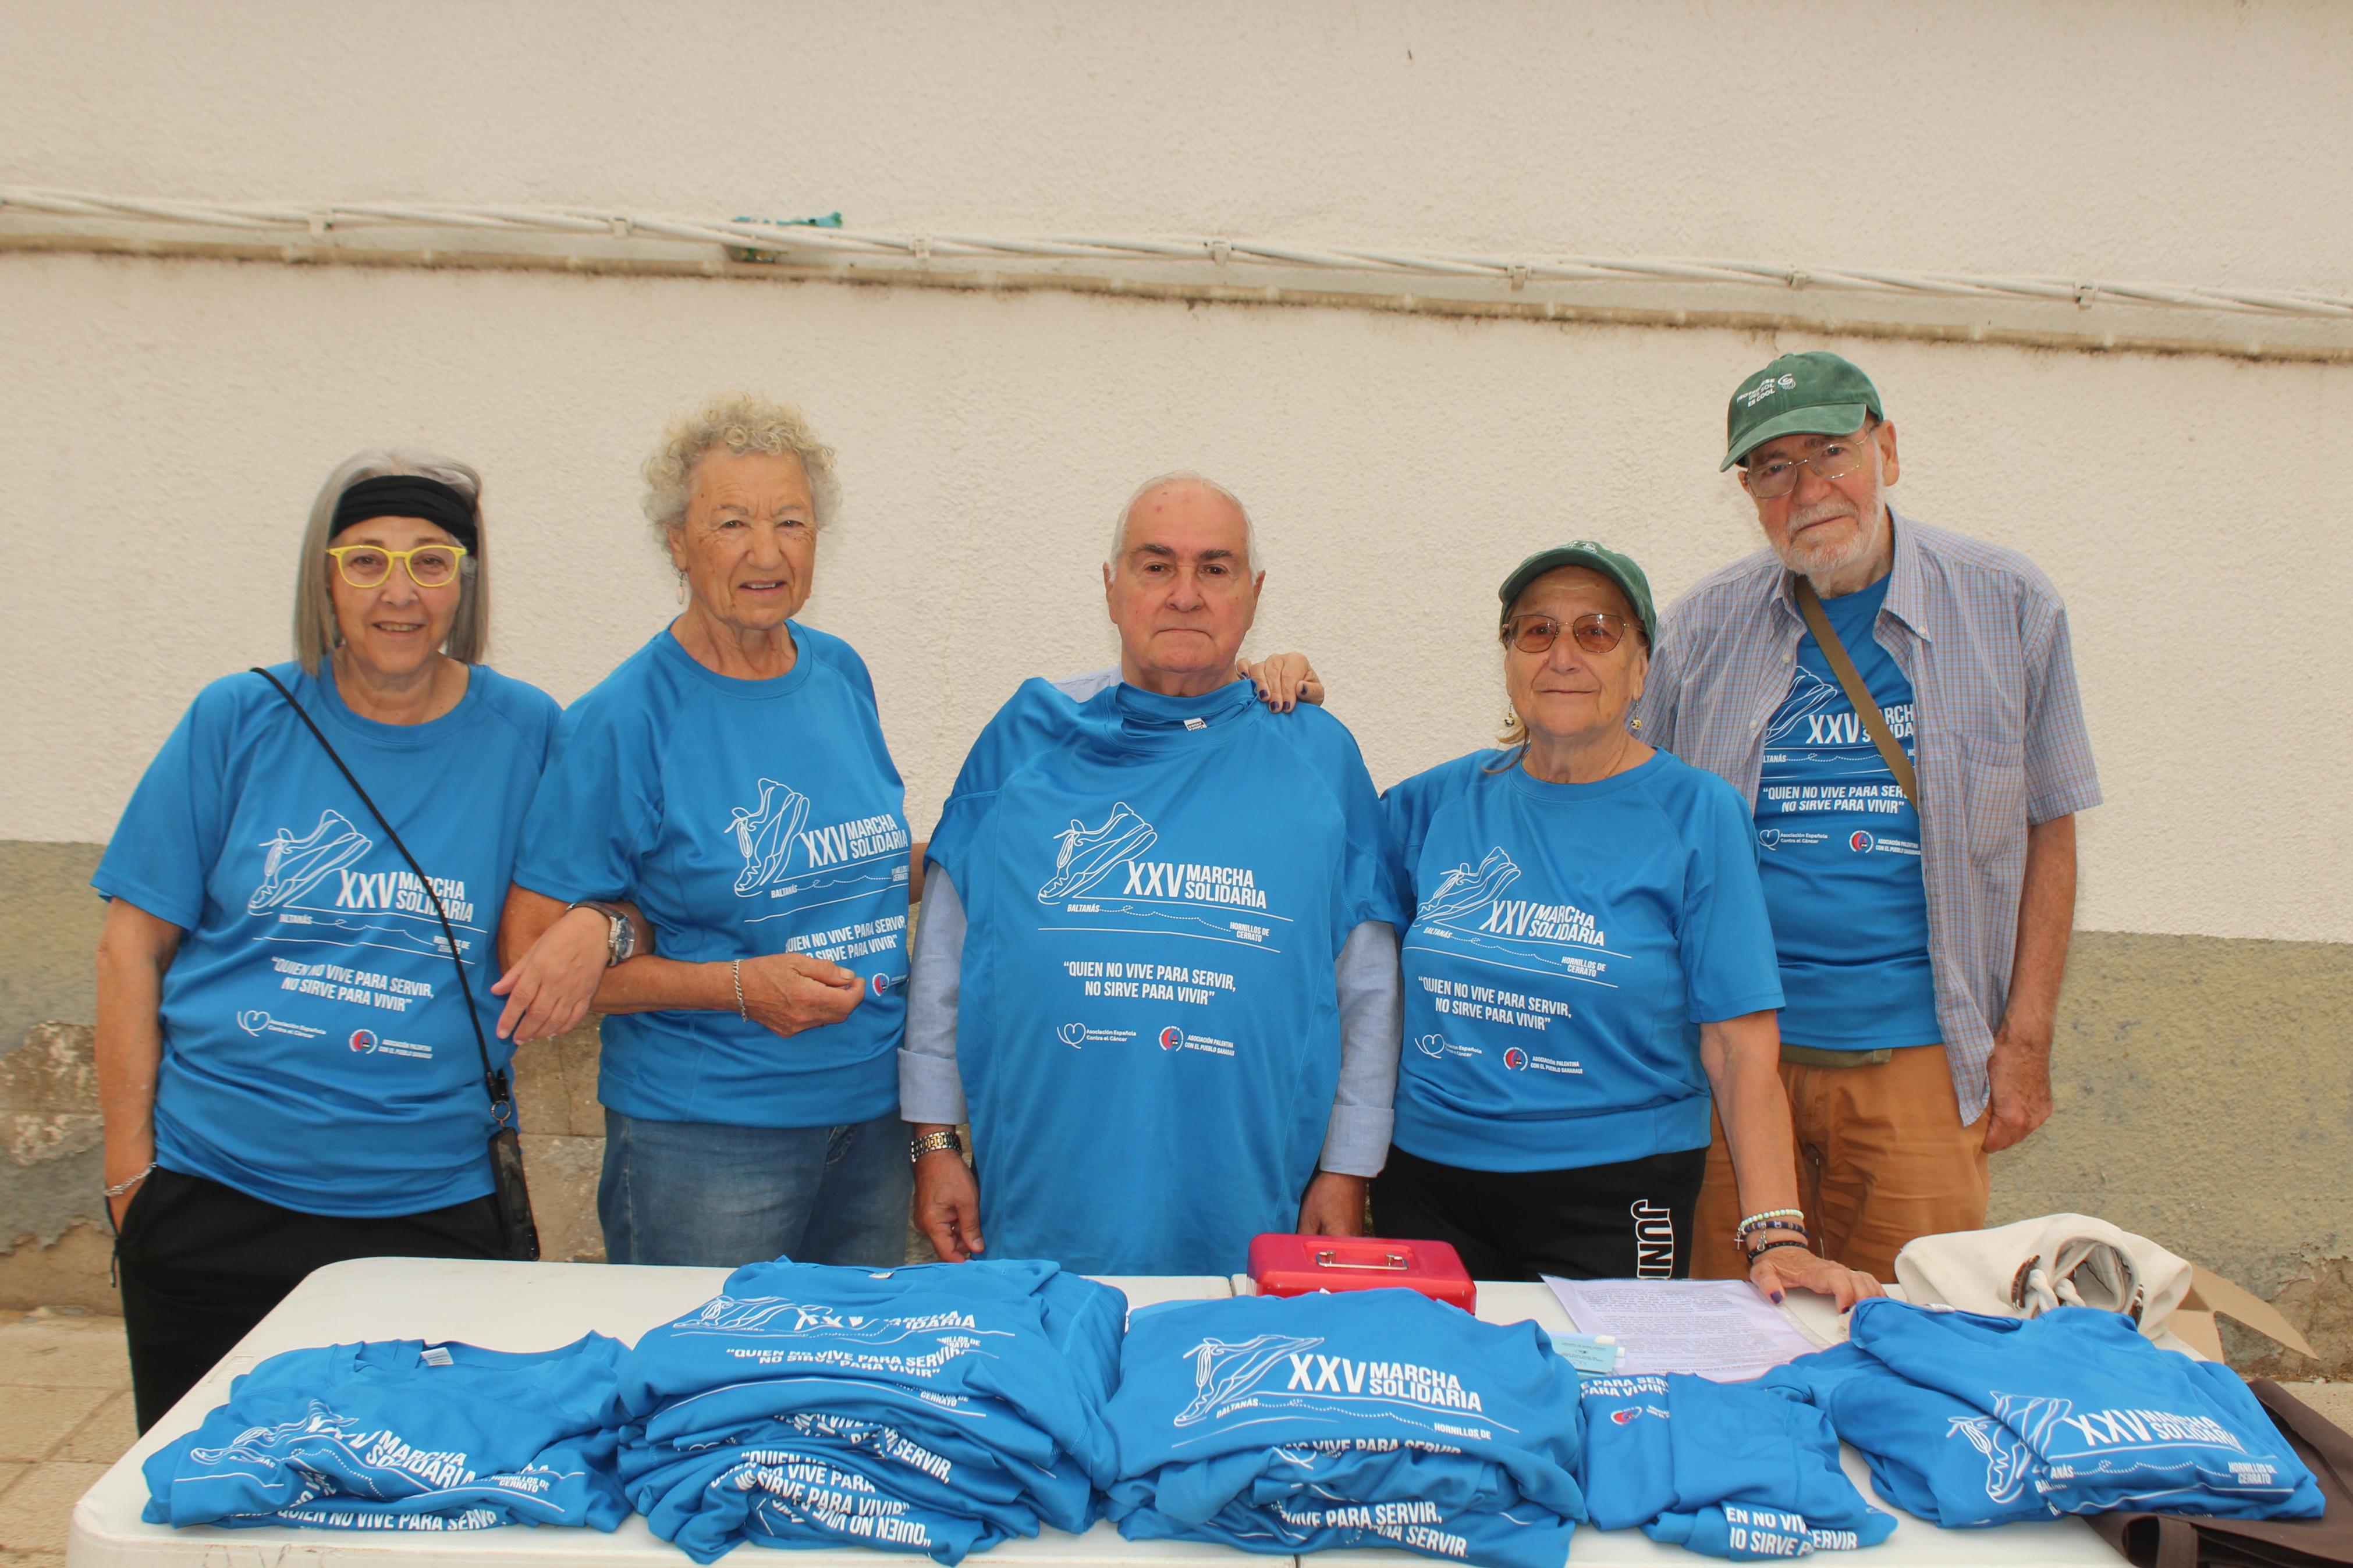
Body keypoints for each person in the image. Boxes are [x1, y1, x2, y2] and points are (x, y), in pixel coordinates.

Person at [93, 453, 612, 1430]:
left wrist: (598, 924)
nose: (399, 593)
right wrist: (131, 1181)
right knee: (211, 1501)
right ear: (323, 580)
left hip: (426, 1208)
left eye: (431, 562)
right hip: (215, 1196)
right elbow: (129, 949)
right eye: (366, 561)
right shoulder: (235, 721)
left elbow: (630, 894)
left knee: (420, 1499)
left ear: (467, 582)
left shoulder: (530, 733)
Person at [1642, 352, 2100, 1282]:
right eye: (1775, 468)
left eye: (1831, 452)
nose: (1809, 490)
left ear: (1886, 449)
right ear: (1749, 491)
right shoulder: (1699, 631)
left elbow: (2051, 827)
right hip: (1733, 1073)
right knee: (1741, 1348)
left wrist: (2025, 1042)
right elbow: (1639, 823)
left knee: (1908, 1338)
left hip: (1921, 1069)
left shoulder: (2008, 606)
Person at [903, 474, 1404, 1275]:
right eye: (1155, 565)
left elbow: (1368, 989)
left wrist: (1347, 1169)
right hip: (1036, 1203)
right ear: (1110, 588)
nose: (1185, 595)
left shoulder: (1318, 757)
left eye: (1215, 568)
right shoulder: (1026, 739)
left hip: (1248, 1203)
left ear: (1253, 593)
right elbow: (944, 958)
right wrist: (933, 1141)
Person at [1372, 543, 1879, 1306]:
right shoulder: (1434, 801)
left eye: (1597, 631)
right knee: (1435, 1411)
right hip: (1427, 1187)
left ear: (1643, 667)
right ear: (1509, 659)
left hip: (1612, 1196)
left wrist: (1778, 1237)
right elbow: (1328, 923)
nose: (1563, 655)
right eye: (1536, 632)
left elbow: (1740, 1050)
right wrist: (1259, 697)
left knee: (1599, 1411)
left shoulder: (1697, 814)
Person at [502, 393, 920, 1269]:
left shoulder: (841, 674)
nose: (766, 552)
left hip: (871, 1124)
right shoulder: (626, 718)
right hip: (710, 1142)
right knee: (711, 1392)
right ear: (676, 541)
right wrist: (736, 987)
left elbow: (848, 865)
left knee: (847, 1391)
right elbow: (532, 961)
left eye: (791, 522)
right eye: (732, 522)